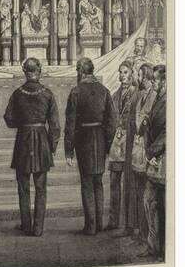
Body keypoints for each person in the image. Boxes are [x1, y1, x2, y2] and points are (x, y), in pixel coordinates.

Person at [4, 58, 60, 236]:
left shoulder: (17, 94)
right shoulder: (48, 94)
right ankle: (38, 228)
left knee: (23, 186)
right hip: (42, 141)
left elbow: (9, 119)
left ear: (24, 71)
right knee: (41, 187)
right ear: (40, 71)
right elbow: (55, 126)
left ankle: (26, 224)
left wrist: (23, 123)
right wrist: (51, 147)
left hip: (23, 140)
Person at [64, 57, 116, 235]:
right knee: (98, 182)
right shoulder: (104, 90)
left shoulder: (76, 91)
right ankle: (99, 224)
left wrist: (68, 150)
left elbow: (70, 123)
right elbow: (111, 121)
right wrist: (109, 146)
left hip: (84, 140)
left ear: (79, 71)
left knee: (87, 183)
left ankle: (90, 226)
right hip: (101, 139)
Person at [107, 61, 137, 233]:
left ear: (131, 73)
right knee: (114, 181)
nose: (122, 75)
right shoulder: (115, 94)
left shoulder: (136, 94)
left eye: (125, 72)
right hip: (116, 143)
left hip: (130, 141)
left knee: (129, 184)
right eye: (120, 72)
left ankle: (129, 224)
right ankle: (113, 221)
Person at [140, 65, 166, 260]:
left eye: (156, 79)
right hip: (155, 160)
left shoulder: (169, 100)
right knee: (149, 202)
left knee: (162, 206)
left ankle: (163, 250)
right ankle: (153, 248)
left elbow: (167, 132)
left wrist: (151, 151)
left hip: (163, 161)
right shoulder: (158, 98)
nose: (153, 82)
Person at [131, 63, 157, 245]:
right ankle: (141, 233)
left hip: (147, 147)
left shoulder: (153, 96)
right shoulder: (141, 95)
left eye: (140, 76)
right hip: (138, 146)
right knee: (140, 190)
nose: (139, 79)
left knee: (147, 193)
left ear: (147, 78)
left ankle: (147, 235)